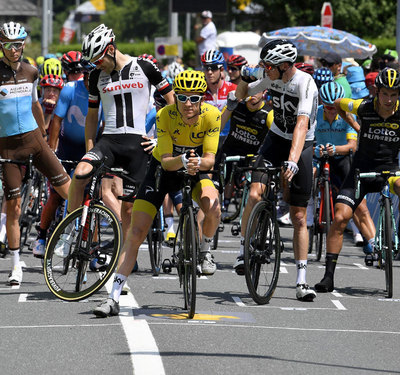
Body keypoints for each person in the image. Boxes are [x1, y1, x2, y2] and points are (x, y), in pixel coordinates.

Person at [93, 70, 221, 317]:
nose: (187, 104)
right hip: (164, 168)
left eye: (194, 98)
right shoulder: (165, 115)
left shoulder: (212, 115)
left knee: (212, 205)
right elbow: (166, 162)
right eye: (182, 97)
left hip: (196, 167)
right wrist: (184, 159)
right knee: (137, 231)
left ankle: (204, 250)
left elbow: (210, 159)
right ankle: (113, 297)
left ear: (202, 99)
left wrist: (196, 164)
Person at [57, 24, 174, 256]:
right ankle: (70, 231)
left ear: (110, 49)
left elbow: (172, 105)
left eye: (98, 60)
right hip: (108, 141)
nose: (95, 66)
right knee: (80, 173)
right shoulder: (95, 78)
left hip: (138, 144)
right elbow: (92, 118)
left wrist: (161, 141)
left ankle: (121, 270)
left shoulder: (145, 66)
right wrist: (89, 150)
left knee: (129, 211)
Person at [233, 39, 319, 301]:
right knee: (255, 194)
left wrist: (293, 160)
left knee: (298, 216)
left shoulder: (305, 83)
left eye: (269, 66)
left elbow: (302, 126)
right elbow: (241, 95)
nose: (265, 69)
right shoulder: (271, 76)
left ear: (284, 66)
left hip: (301, 142)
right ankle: (244, 249)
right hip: (275, 138)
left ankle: (302, 281)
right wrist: (245, 78)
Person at [315, 68, 400, 292]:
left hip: (390, 171)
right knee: (340, 217)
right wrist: (355, 126)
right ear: (377, 92)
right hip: (360, 170)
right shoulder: (363, 107)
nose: (389, 100)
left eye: (394, 95)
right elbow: (340, 102)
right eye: (385, 94)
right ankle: (328, 277)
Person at [0, 22, 70, 284]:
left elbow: (35, 104)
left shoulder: (31, 72)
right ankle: (16, 265)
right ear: (1, 45)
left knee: (68, 188)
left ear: (24, 45)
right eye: (8, 44)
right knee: (14, 206)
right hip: (7, 145)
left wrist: (45, 133)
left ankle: (75, 238)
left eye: (17, 44)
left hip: (34, 139)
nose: (13, 49)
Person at [32, 59, 96, 258]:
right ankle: (41, 237)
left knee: (90, 199)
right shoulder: (70, 89)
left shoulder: (104, 91)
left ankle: (89, 248)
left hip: (89, 149)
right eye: (86, 76)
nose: (88, 80)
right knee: (56, 194)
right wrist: (52, 152)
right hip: (66, 148)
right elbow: (57, 120)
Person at [312, 81, 376, 252]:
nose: (331, 111)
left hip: (342, 157)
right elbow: (306, 139)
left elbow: (352, 146)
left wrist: (336, 149)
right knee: (306, 176)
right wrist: (314, 149)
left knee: (359, 204)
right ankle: (309, 216)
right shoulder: (316, 114)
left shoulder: (347, 115)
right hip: (319, 156)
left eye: (334, 107)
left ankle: (372, 242)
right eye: (327, 107)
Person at [218, 90, 269, 219]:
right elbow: (217, 127)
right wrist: (229, 109)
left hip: (251, 155)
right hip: (230, 150)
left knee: (258, 185)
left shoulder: (268, 113)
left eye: (256, 91)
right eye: (250, 90)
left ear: (264, 92)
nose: (253, 95)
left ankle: (263, 213)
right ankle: (223, 205)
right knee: (221, 177)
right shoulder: (237, 105)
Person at [201, 49, 237, 142]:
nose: (209, 72)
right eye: (206, 68)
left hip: (229, 138)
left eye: (213, 68)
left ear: (221, 69)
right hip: (206, 138)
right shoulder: (200, 91)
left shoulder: (233, 88)